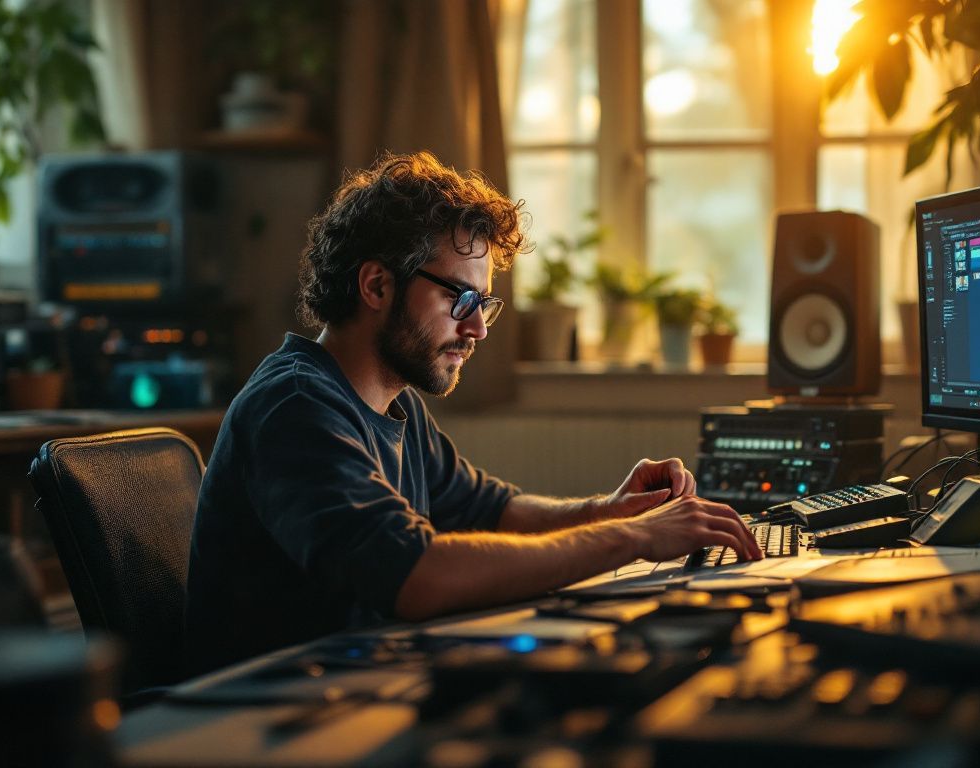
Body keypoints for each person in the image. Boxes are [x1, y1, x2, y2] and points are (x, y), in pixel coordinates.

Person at [183, 152, 760, 673]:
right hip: (259, 723)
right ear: (378, 285)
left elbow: (492, 511)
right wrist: (633, 537)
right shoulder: (296, 406)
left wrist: (606, 511)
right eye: (460, 298)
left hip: (345, 694)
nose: (478, 327)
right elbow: (415, 576)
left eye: (483, 303)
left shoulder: (394, 401)